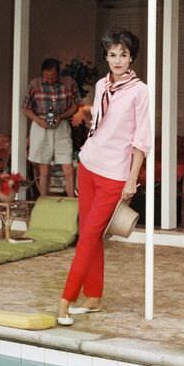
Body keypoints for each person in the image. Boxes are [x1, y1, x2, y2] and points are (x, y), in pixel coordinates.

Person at [57, 29, 150, 325]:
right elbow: (99, 124)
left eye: (123, 54)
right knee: (90, 233)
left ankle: (65, 300)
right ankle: (94, 296)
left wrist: (131, 180)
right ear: (106, 56)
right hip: (88, 164)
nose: (118, 60)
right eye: (112, 54)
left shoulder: (140, 91)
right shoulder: (101, 85)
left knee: (87, 236)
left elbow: (141, 140)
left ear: (132, 56)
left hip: (114, 174)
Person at [22, 58, 79, 197]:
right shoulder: (35, 84)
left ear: (58, 74)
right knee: (44, 167)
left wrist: (62, 116)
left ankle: (71, 200)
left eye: (53, 76)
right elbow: (25, 107)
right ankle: (44, 199)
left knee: (67, 166)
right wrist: (37, 120)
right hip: (41, 124)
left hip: (61, 124)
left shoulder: (69, 83)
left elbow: (76, 105)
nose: (50, 80)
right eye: (47, 76)